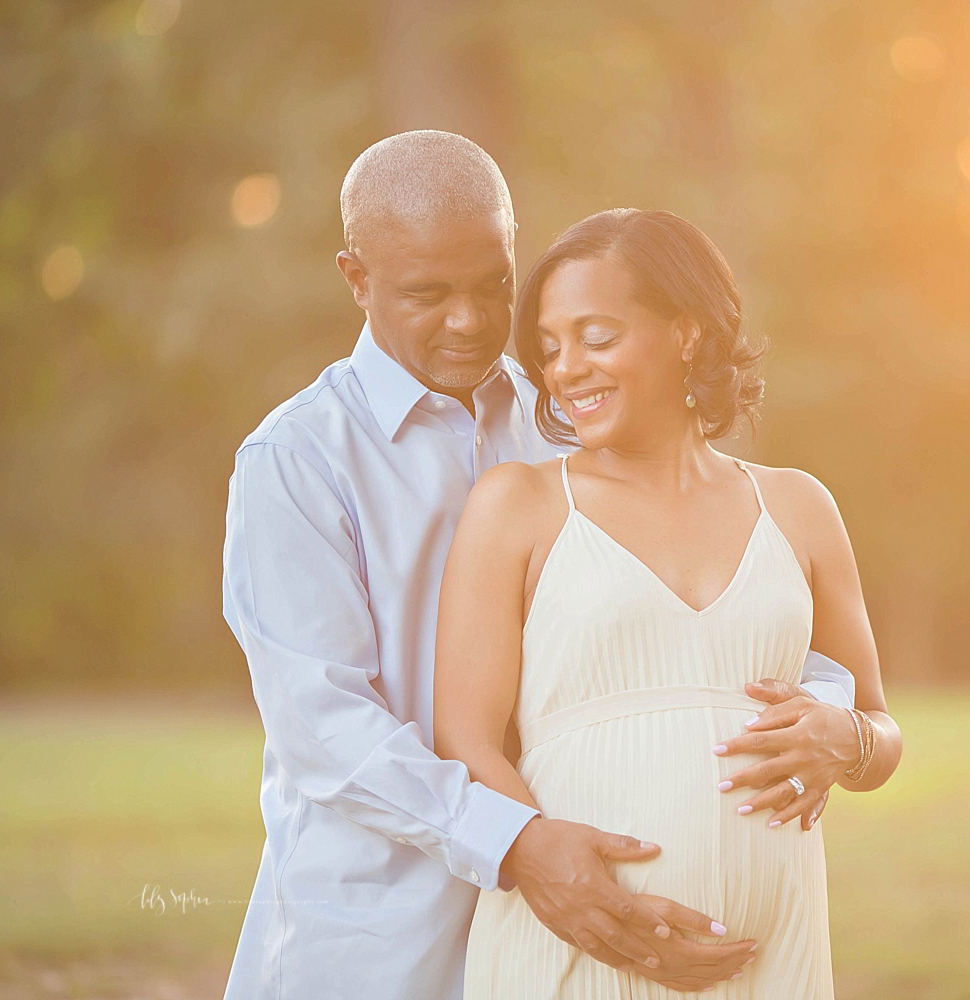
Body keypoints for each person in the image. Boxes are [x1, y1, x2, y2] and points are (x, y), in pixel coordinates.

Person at [219, 131, 862, 1000]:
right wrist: (517, 842)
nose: (472, 320)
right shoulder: (297, 461)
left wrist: (832, 721)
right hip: (381, 933)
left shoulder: (562, 416)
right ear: (356, 279)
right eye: (426, 294)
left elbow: (734, 613)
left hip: (585, 911)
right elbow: (324, 727)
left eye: (493, 285)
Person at [435, 207, 902, 998]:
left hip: (769, 955)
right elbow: (466, 740)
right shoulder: (518, 504)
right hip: (574, 949)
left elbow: (881, 730)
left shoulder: (799, 506)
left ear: (685, 333)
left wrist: (844, 736)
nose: (566, 368)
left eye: (598, 335)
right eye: (549, 347)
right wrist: (564, 880)